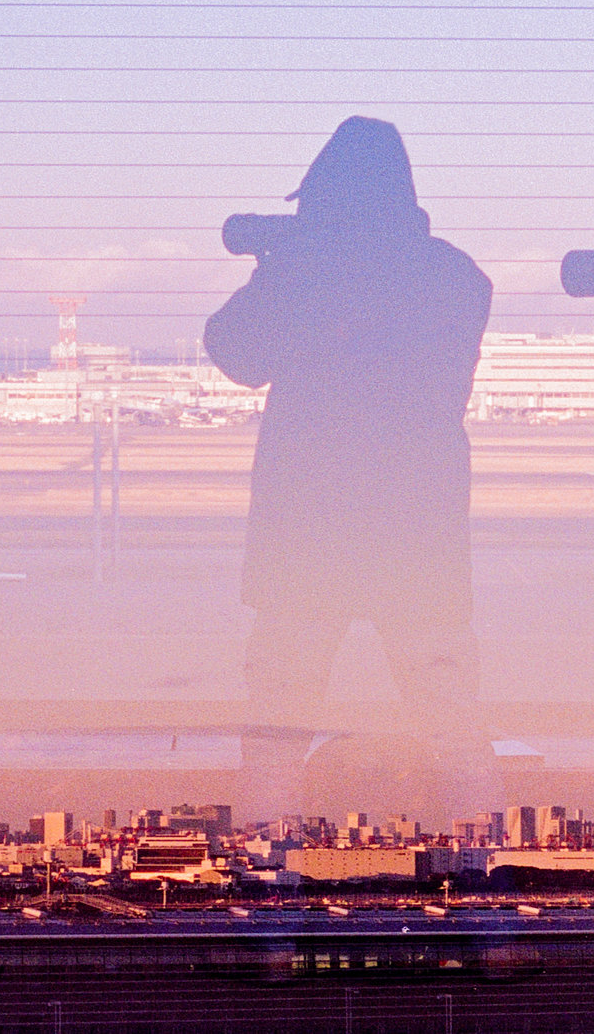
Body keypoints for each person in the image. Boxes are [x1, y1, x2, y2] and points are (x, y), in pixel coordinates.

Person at [204, 117, 497, 820]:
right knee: (448, 706)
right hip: (417, 526)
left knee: (280, 710)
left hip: (308, 523)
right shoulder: (458, 277)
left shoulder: (305, 270)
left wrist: (279, 267)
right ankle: (491, 859)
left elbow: (235, 351)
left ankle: (265, 860)